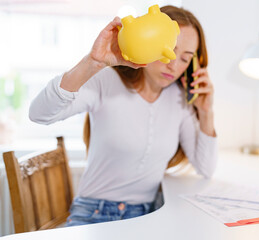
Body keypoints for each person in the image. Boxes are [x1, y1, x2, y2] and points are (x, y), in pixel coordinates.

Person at [29, 5, 217, 227]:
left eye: (185, 59)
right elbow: (38, 114)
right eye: (168, 50)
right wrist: (92, 63)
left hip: (149, 216)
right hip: (94, 213)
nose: (173, 64)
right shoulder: (106, 82)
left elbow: (205, 168)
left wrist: (205, 112)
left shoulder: (180, 100)